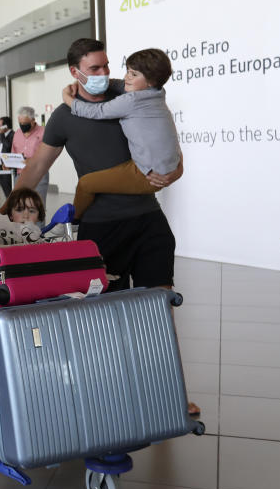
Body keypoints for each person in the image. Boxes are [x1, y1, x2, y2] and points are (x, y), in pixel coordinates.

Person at [12, 38, 198, 416]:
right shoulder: (65, 116)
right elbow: (35, 168)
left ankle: (169, 394)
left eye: (106, 66)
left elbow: (164, 135)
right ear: (75, 71)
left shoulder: (128, 92)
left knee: (160, 309)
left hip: (147, 219)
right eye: (94, 69)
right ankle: (113, 396)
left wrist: (176, 169)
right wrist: (6, 208)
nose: (104, 74)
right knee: (106, 320)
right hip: (100, 230)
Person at [61, 48, 180, 219]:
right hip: (166, 168)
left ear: (151, 81)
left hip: (148, 176)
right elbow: (122, 85)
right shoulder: (156, 93)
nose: (126, 78)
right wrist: (104, 82)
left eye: (133, 74)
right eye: (127, 72)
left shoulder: (131, 100)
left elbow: (97, 111)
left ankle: (71, 221)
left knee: (86, 184)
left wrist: (67, 98)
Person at [12, 106, 48, 200]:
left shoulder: (43, 132)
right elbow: (14, 152)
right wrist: (9, 163)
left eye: (25, 123)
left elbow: (48, 154)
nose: (22, 125)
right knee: (18, 204)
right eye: (20, 123)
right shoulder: (17, 133)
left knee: (38, 204)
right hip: (20, 175)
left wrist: (31, 161)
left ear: (33, 120)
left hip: (39, 175)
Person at [0, 116, 15, 197]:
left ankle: (11, 207)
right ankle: (8, 205)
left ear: (5, 126)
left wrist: (1, 135)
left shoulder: (12, 135)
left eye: (0, 125)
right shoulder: (3, 136)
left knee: (9, 190)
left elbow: (8, 146)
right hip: (0, 166)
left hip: (7, 167)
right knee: (5, 190)